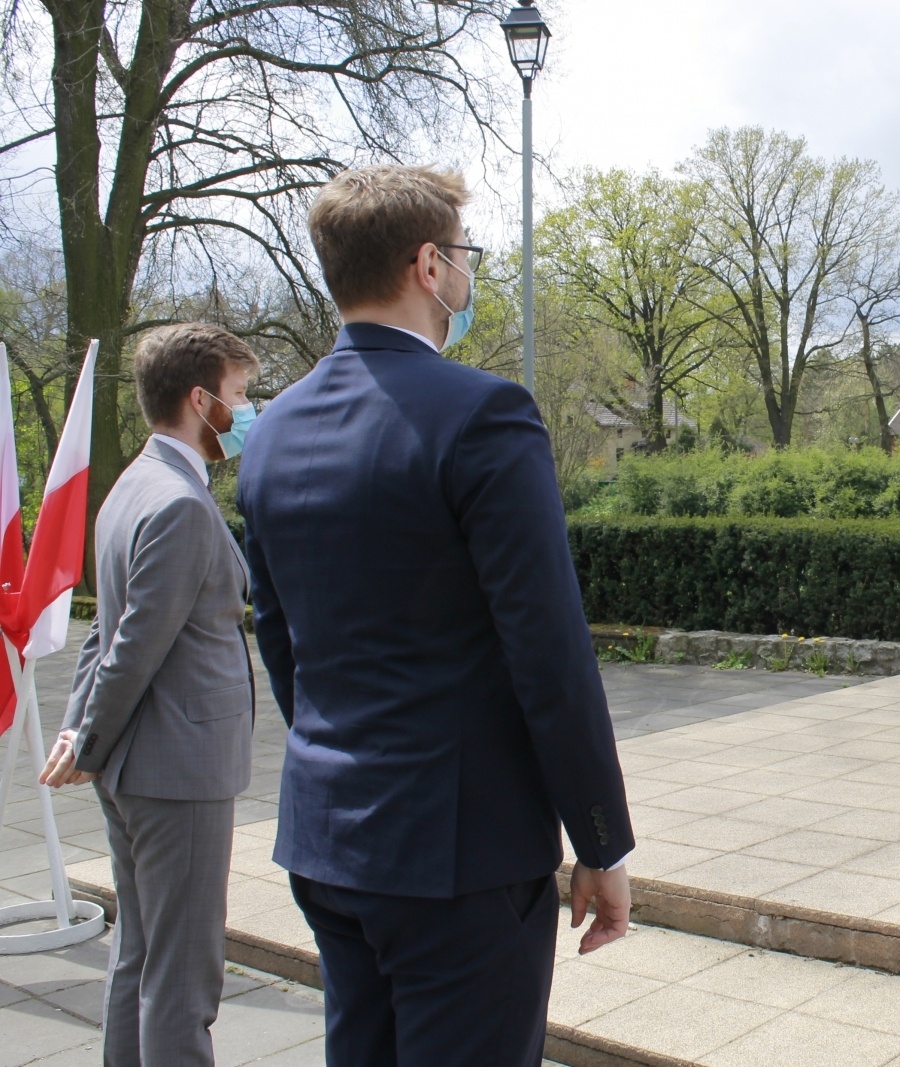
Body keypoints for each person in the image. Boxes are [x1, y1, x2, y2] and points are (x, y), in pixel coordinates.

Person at [235, 164, 634, 1067]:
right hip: (460, 857)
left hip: (329, 836)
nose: (466, 274)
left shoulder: (274, 431)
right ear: (427, 264)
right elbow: (549, 653)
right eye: (462, 255)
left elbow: (280, 636)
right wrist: (601, 840)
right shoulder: (484, 412)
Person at [40, 323, 259, 1067]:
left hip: (137, 768)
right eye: (239, 395)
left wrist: (79, 732)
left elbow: (106, 628)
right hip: (178, 773)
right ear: (200, 401)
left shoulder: (129, 488)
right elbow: (133, 641)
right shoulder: (180, 505)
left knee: (138, 956)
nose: (245, 409)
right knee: (182, 980)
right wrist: (86, 736)